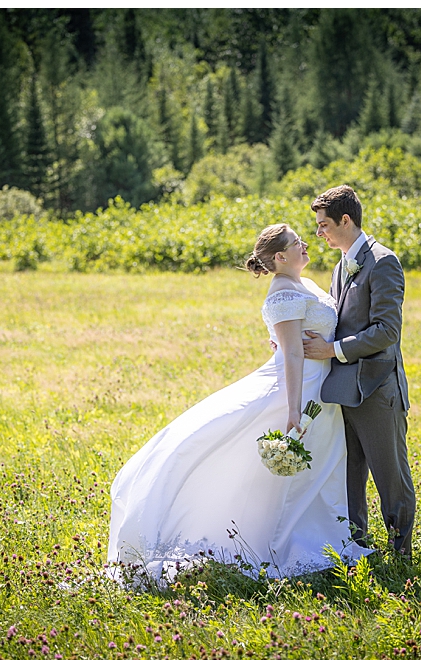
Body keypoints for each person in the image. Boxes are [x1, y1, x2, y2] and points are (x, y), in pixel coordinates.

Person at [107, 223, 371, 585]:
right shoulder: (282, 291)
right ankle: (267, 543)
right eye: (297, 242)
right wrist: (293, 409)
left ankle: (319, 542)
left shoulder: (304, 283)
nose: (305, 244)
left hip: (320, 388)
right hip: (298, 388)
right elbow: (292, 353)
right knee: (249, 459)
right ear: (280, 256)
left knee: (317, 467)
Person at [303, 185, 415, 561]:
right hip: (344, 391)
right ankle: (358, 549)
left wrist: (332, 350)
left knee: (390, 477)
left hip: (378, 389)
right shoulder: (341, 264)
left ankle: (401, 555)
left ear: (345, 220)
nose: (319, 233)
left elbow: (387, 331)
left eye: (323, 225)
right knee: (349, 476)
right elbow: (341, 320)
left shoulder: (383, 262)